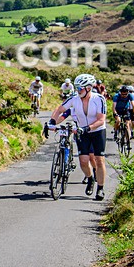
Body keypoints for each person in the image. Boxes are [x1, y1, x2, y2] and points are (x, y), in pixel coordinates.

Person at [45, 73, 108, 201]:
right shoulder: (74, 97)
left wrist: (87, 128)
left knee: (99, 160)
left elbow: (101, 120)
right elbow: (60, 109)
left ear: (89, 88)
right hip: (81, 131)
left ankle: (100, 188)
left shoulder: (99, 99)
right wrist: (51, 122)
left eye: (80, 88)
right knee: (83, 161)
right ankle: (90, 178)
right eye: (77, 87)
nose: (78, 90)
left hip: (97, 131)